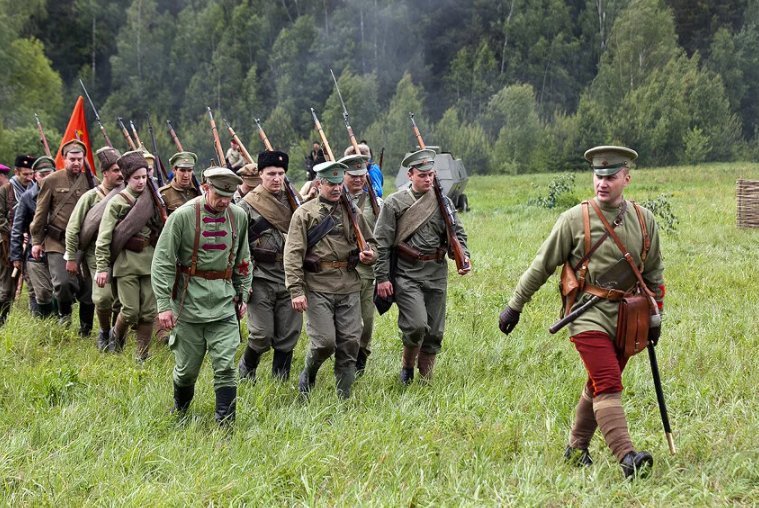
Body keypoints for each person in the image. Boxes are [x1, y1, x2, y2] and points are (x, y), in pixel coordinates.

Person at [498, 145, 665, 479]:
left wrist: (655, 316)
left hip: (629, 317)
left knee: (598, 383)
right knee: (607, 381)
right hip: (586, 314)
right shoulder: (574, 219)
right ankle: (627, 456)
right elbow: (541, 266)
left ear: (626, 178)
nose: (602, 182)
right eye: (597, 176)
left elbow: (654, 275)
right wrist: (514, 306)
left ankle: (576, 449)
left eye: (611, 176)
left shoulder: (645, 220)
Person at [152, 167, 251, 425]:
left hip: (224, 303)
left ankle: (225, 424)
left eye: (229, 197)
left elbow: (243, 259)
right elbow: (162, 261)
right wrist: (164, 305)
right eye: (219, 195)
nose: (224, 202)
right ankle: (181, 411)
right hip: (188, 304)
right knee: (186, 372)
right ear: (206, 188)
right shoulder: (183, 216)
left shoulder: (238, 216)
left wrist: (243, 294)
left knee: (226, 366)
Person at [374, 148, 471, 384]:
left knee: (435, 332)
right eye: (422, 175)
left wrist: (464, 256)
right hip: (407, 274)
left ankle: (426, 380)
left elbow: (457, 232)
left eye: (431, 175)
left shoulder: (443, 201)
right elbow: (382, 242)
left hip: (436, 272)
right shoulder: (394, 203)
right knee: (417, 326)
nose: (428, 179)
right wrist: (383, 277)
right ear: (410, 175)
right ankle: (407, 368)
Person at [284, 160, 377, 400]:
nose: (336, 188)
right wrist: (296, 290)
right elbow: (293, 253)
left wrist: (370, 254)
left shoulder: (352, 212)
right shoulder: (304, 213)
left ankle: (343, 398)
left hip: (348, 285)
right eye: (330, 183)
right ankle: (309, 372)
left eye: (338, 183)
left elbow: (371, 242)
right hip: (317, 286)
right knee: (325, 342)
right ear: (318, 183)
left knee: (350, 343)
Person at [238, 150, 303, 382]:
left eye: (281, 173)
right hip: (260, 276)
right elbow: (238, 245)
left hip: (290, 276)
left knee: (288, 333)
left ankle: (280, 381)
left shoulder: (296, 202)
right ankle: (247, 368)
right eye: (271, 173)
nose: (277, 178)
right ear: (260, 174)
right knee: (261, 334)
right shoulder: (246, 205)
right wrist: (243, 280)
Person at [94, 151, 162, 361]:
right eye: (136, 178)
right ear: (126, 178)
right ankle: (116, 336)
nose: (141, 182)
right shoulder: (117, 202)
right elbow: (104, 238)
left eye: (144, 177)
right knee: (130, 311)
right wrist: (102, 267)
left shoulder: (154, 199)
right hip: (126, 264)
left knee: (149, 313)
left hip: (150, 262)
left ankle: (142, 356)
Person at [30, 140, 95, 333]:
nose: (76, 163)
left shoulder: (91, 182)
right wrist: (36, 241)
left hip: (84, 242)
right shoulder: (51, 180)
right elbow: (40, 213)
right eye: (72, 159)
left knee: (88, 289)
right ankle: (64, 317)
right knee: (63, 283)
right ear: (64, 159)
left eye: (80, 159)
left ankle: (86, 329)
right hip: (57, 241)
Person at [65, 147, 123, 350]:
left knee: (120, 298)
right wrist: (71, 257)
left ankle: (117, 334)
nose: (120, 174)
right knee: (103, 296)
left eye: (121, 170)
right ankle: (104, 331)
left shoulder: (128, 194)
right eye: (115, 170)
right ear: (105, 172)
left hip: (122, 252)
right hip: (95, 253)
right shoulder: (91, 197)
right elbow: (73, 229)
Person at [339, 151, 382, 375]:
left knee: (366, 323)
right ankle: (345, 364)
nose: (357, 179)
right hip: (340, 272)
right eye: (352, 175)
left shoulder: (377, 203)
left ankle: (361, 359)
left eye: (361, 175)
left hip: (366, 270)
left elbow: (383, 239)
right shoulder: (333, 198)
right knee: (348, 326)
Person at [10, 156, 56, 318]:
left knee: (59, 288)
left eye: (49, 174)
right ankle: (40, 322)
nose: (46, 178)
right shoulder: (27, 197)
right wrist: (16, 255)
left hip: (58, 247)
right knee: (37, 290)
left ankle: (58, 321)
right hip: (34, 251)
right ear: (36, 176)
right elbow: (17, 228)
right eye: (42, 174)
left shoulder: (60, 195)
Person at [0, 154, 36, 324]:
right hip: (7, 245)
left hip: (31, 244)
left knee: (35, 287)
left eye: (31, 174)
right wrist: (17, 232)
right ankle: (2, 321)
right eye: (25, 174)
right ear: (16, 172)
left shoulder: (36, 189)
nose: (29, 178)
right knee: (6, 289)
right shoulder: (5, 190)